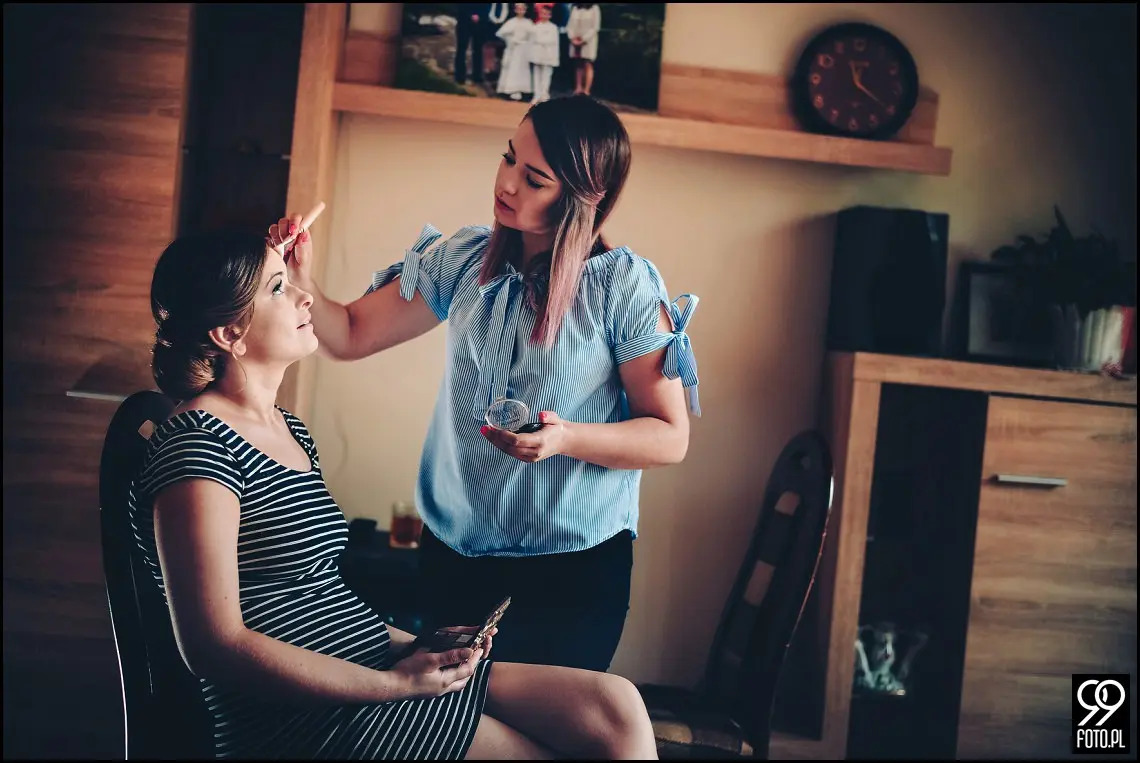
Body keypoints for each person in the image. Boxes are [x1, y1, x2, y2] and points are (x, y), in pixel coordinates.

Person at [129, 228, 660, 760]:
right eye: (276, 288)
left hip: (364, 663)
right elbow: (214, 647)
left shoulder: (288, 429)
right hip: (304, 717)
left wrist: (418, 646)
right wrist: (394, 685)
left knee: (613, 707)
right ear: (229, 333)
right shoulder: (197, 448)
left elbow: (318, 597)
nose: (302, 295)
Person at [273, 94, 702, 674]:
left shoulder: (621, 289)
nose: (507, 184)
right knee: (453, 733)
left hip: (570, 572)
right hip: (454, 557)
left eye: (535, 179)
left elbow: (669, 436)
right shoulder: (465, 259)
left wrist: (563, 439)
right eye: (507, 159)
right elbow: (348, 334)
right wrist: (300, 276)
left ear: (580, 198)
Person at [495, 3, 534, 101]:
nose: (520, 11)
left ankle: (521, 90)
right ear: (515, 10)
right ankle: (509, 90)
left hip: (523, 50)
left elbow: (533, 36)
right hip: (513, 49)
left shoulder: (528, 22)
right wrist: (511, 40)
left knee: (522, 69)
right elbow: (501, 33)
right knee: (511, 68)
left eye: (523, 9)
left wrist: (526, 43)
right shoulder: (511, 22)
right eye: (518, 9)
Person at [527, 3, 561, 103]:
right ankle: (536, 94)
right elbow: (532, 40)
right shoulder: (536, 26)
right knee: (537, 74)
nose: (544, 16)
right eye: (542, 13)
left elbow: (552, 41)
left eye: (547, 14)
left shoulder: (553, 28)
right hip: (537, 53)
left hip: (548, 54)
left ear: (550, 15)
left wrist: (541, 41)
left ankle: (544, 94)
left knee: (546, 74)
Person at [567, 4, 602, 95]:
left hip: (588, 41)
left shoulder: (594, 8)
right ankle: (578, 87)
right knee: (578, 63)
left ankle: (586, 90)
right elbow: (570, 25)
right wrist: (572, 37)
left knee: (587, 63)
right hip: (575, 39)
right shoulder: (575, 8)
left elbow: (595, 27)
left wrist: (584, 39)